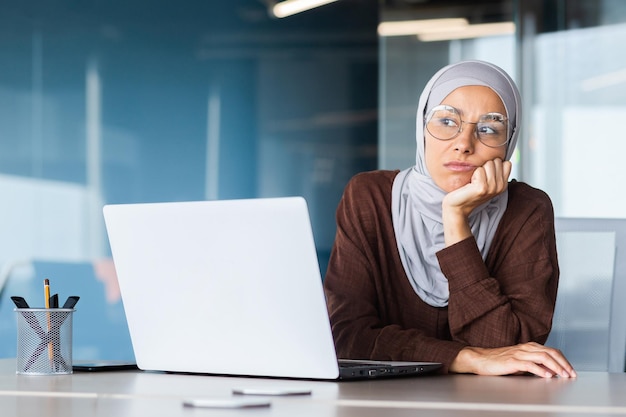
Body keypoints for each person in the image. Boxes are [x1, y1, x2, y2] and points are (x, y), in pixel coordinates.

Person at [322, 60, 576, 378]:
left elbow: (510, 350)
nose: (463, 144)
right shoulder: (369, 198)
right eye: (446, 121)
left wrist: (455, 219)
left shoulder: (527, 209)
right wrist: (465, 358)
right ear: (422, 128)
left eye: (488, 129)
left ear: (508, 144)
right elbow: (345, 340)